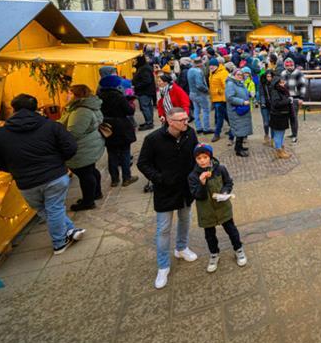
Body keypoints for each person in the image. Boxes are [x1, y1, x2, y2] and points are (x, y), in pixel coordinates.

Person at [0, 94, 85, 254]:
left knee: (45, 209)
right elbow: (70, 147)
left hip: (26, 182)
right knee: (54, 208)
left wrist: (14, 170)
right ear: (36, 107)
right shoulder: (52, 126)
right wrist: (59, 162)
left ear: (14, 109)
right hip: (55, 176)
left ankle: (70, 231)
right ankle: (59, 242)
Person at [137, 107, 199, 289]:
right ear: (170, 122)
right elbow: (143, 163)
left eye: (186, 119)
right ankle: (163, 266)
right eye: (181, 120)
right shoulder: (153, 139)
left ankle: (181, 248)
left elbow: (196, 154)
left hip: (185, 188)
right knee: (163, 228)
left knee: (185, 219)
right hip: (165, 190)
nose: (185, 123)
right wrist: (159, 178)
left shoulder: (190, 134)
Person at [187, 144, 247, 272]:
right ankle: (214, 254)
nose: (202, 160)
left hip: (223, 207)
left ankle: (238, 249)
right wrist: (202, 183)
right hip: (206, 211)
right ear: (195, 160)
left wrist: (225, 192)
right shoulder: (192, 176)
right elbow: (197, 196)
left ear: (210, 157)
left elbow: (228, 183)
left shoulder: (220, 169)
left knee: (231, 230)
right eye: (199, 158)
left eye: (205, 157)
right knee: (209, 235)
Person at [59, 85, 105, 211]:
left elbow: (73, 132)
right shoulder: (87, 106)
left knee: (84, 173)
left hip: (83, 147)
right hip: (89, 144)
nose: (66, 95)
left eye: (69, 93)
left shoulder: (80, 111)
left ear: (77, 95)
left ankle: (88, 201)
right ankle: (95, 194)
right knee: (90, 171)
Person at [98, 75, 139, 187]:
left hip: (107, 127)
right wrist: (131, 104)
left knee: (112, 154)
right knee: (125, 152)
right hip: (121, 126)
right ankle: (126, 177)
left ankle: (114, 180)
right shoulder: (119, 96)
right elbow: (129, 111)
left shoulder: (99, 96)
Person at [225, 69, 254, 157]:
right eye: (238, 74)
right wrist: (242, 102)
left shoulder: (240, 83)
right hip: (236, 111)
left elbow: (242, 93)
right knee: (239, 130)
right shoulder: (231, 84)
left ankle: (240, 146)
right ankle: (238, 150)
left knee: (242, 130)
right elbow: (230, 98)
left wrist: (249, 94)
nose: (240, 76)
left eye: (241, 75)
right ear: (233, 75)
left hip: (242, 110)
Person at [280, 58, 306, 143]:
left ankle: (295, 135)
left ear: (293, 65)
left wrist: (301, 98)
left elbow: (303, 86)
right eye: (287, 66)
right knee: (286, 117)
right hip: (286, 98)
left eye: (290, 65)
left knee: (294, 117)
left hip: (295, 98)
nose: (289, 67)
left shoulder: (298, 73)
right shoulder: (283, 73)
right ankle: (291, 133)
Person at [268, 74, 293, 159]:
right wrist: (288, 100)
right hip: (278, 116)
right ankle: (279, 151)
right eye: (281, 82)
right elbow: (276, 104)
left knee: (281, 134)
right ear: (277, 83)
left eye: (283, 82)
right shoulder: (275, 91)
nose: (283, 84)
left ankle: (281, 149)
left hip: (282, 115)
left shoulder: (281, 90)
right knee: (278, 134)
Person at [187, 58, 212, 134]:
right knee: (205, 110)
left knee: (196, 110)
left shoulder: (190, 70)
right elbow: (199, 85)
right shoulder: (198, 72)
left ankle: (198, 128)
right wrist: (207, 91)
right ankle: (206, 129)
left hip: (192, 93)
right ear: (200, 64)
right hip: (200, 94)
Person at [132, 55, 156, 130]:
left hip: (144, 91)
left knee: (145, 107)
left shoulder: (144, 69)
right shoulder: (144, 67)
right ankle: (149, 121)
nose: (133, 62)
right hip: (146, 91)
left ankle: (149, 123)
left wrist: (136, 85)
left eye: (135, 60)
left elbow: (147, 81)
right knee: (148, 106)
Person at [209, 58, 229, 142]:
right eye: (210, 65)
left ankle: (217, 134)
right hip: (215, 99)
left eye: (213, 65)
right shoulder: (212, 73)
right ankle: (234, 129)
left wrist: (218, 91)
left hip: (222, 99)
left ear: (217, 65)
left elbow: (227, 86)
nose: (211, 67)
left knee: (219, 116)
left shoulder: (223, 73)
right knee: (225, 115)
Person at [259, 69, 276, 144]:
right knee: (266, 122)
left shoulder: (275, 83)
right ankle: (266, 135)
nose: (269, 78)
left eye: (270, 76)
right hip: (264, 104)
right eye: (267, 76)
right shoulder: (262, 83)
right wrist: (262, 103)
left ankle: (273, 138)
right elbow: (261, 94)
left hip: (273, 105)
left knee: (272, 122)